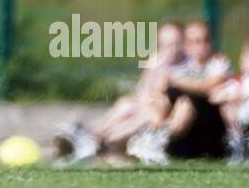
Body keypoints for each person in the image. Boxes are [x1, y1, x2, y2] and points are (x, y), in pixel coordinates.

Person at [54, 21, 186, 164]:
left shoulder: (184, 67)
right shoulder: (156, 59)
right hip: (144, 106)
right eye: (166, 44)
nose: (171, 49)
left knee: (143, 115)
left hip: (156, 115)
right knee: (126, 104)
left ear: (183, 43)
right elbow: (144, 89)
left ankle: (96, 140)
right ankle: (92, 135)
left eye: (175, 43)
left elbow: (164, 98)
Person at [128, 19, 231, 163]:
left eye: (206, 40)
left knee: (186, 102)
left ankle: (155, 140)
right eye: (195, 42)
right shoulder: (184, 66)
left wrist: (173, 80)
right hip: (188, 134)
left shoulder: (217, 63)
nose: (202, 46)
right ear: (186, 45)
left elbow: (208, 86)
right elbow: (154, 90)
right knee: (159, 102)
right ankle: (146, 140)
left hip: (211, 130)